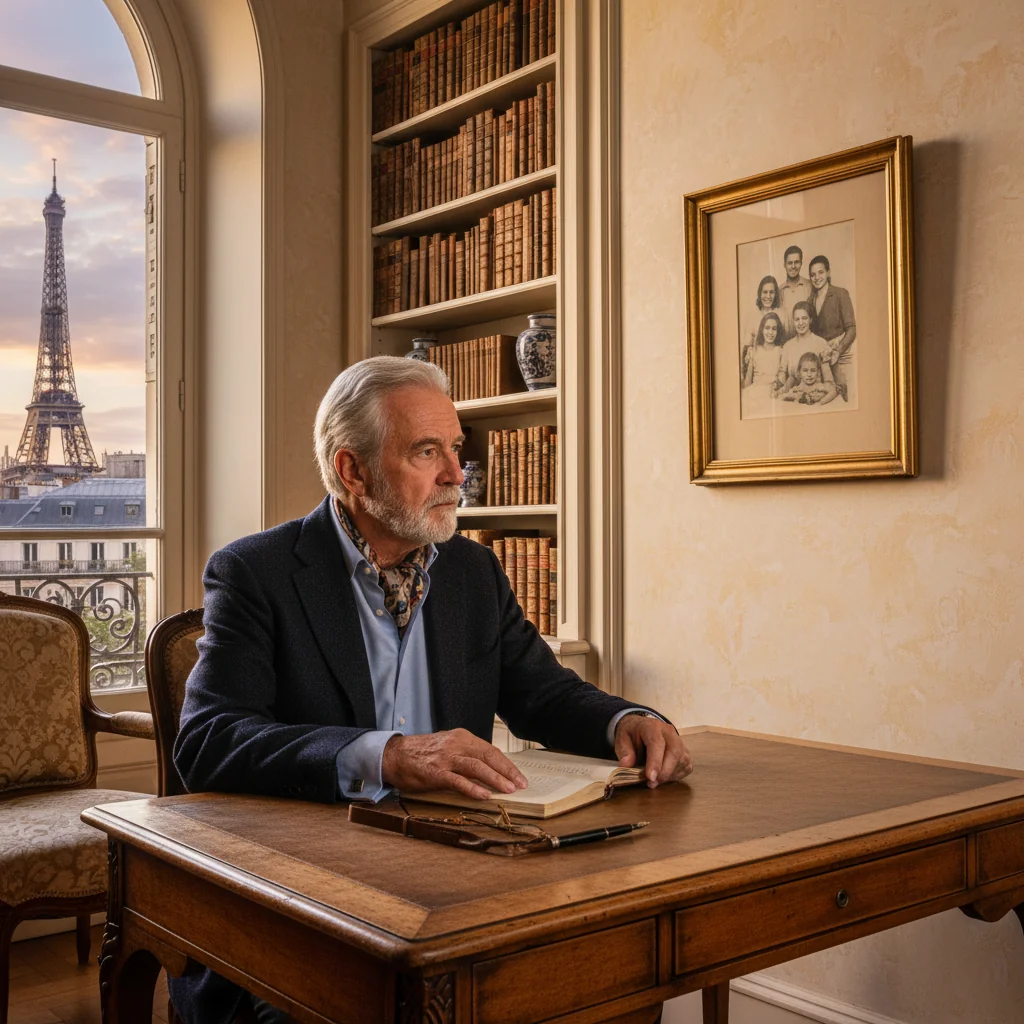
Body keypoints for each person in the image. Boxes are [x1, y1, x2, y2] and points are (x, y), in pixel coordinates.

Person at [170, 356, 691, 1024]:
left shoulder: (471, 571)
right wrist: (386, 755)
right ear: (353, 470)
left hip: (457, 881)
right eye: (426, 452)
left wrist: (625, 721)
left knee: (613, 979)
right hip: (304, 900)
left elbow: (543, 694)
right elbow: (210, 741)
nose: (455, 475)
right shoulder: (256, 572)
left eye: (455, 449)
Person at [808, 255, 856, 401]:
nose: (817, 278)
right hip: (821, 360)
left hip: (841, 356)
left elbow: (852, 329)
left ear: (828, 273)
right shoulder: (809, 300)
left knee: (845, 396)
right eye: (813, 274)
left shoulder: (841, 293)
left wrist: (838, 350)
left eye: (821, 272)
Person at [773, 301, 837, 399]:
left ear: (810, 319)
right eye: (797, 319)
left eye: (804, 318)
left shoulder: (821, 343)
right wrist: (778, 388)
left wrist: (821, 393)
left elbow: (829, 381)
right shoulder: (788, 346)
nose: (801, 323)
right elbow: (782, 374)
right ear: (793, 321)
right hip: (793, 394)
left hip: (815, 394)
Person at [741, 275, 782, 375]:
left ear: (776, 294)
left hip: (775, 363)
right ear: (759, 293)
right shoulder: (751, 315)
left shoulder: (781, 314)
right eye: (765, 292)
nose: (768, 296)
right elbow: (747, 345)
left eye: (771, 292)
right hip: (756, 364)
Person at [742, 310, 784, 389]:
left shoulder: (780, 352)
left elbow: (782, 381)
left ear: (778, 331)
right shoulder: (754, 351)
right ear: (762, 329)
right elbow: (747, 382)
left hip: (773, 394)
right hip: (755, 392)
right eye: (767, 328)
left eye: (774, 329)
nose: (770, 332)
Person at [778, 244, 812, 340]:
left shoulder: (810, 286)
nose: (793, 266)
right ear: (784, 265)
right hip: (785, 342)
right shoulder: (779, 290)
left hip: (807, 341)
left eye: (796, 262)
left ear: (801, 263)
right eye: (789, 263)